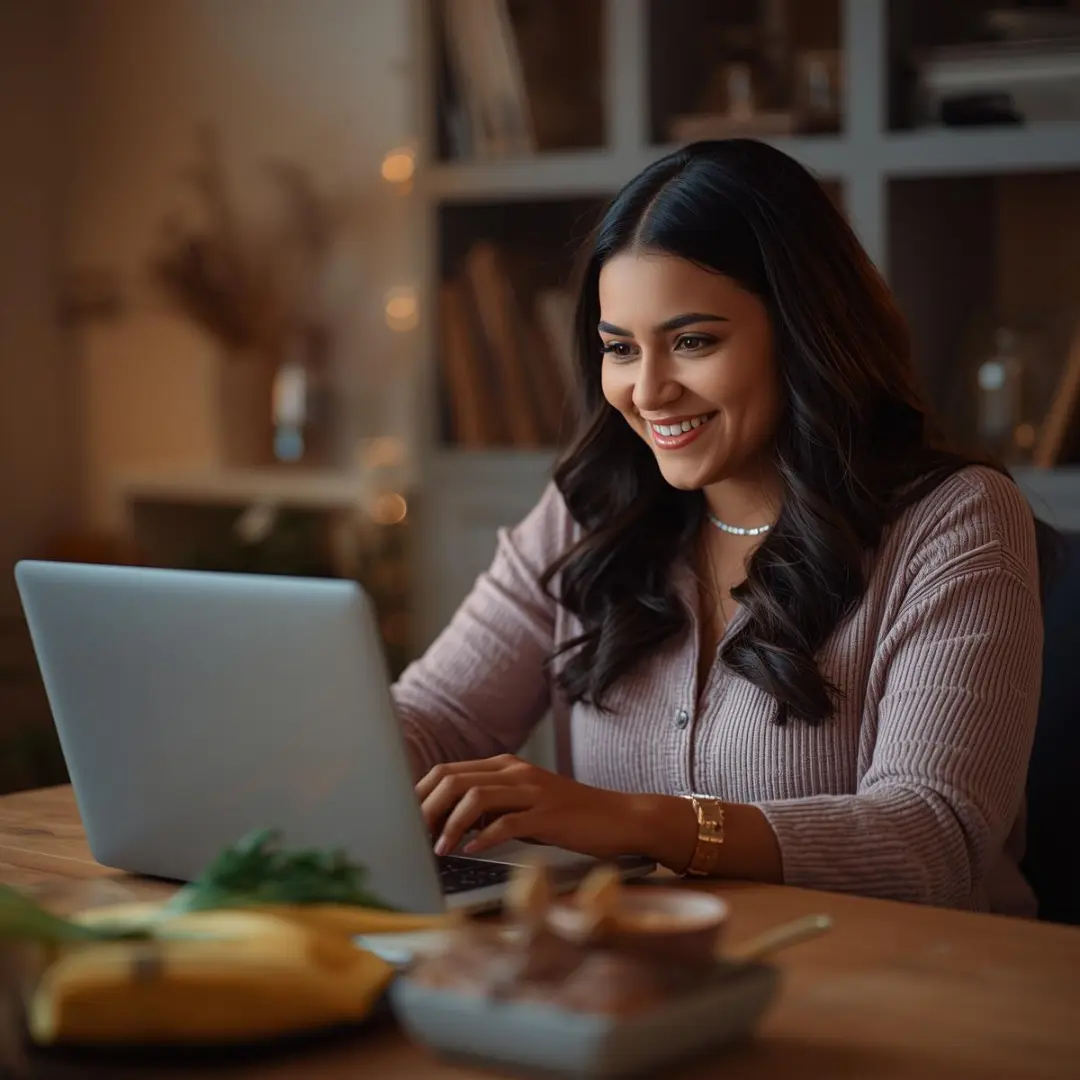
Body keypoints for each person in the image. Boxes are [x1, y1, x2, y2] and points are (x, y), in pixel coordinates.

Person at [394, 138, 1056, 915]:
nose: (647, 391)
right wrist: (342, 759)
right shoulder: (592, 510)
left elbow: (931, 838)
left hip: (897, 989)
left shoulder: (954, 521)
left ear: (803, 329)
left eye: (692, 342)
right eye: (619, 349)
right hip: (643, 982)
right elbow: (438, 717)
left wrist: (629, 819)